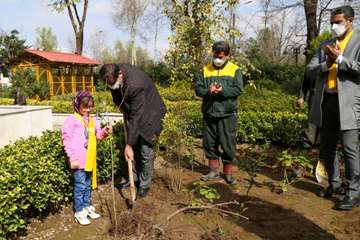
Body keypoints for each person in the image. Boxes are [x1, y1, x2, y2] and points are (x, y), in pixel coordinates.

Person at [306, 5, 360, 210]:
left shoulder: (358, 41)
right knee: (327, 147)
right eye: (332, 23)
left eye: (338, 22)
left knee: (350, 148)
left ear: (350, 21)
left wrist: (340, 60)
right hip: (327, 102)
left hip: (349, 104)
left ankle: (354, 193)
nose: (334, 26)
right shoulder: (325, 45)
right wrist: (327, 65)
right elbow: (310, 70)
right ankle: (334, 184)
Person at [99, 63, 166, 198]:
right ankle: (133, 179)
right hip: (136, 109)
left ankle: (144, 185)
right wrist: (123, 107)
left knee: (145, 150)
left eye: (113, 84)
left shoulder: (136, 85)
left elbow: (137, 117)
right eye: (109, 85)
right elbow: (117, 96)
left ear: (120, 75)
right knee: (134, 148)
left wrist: (128, 145)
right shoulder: (112, 75)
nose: (111, 87)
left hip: (151, 114)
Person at [195, 41, 243, 184]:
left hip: (227, 114)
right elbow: (198, 89)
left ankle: (228, 173)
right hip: (209, 113)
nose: (218, 59)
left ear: (227, 55)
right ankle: (213, 171)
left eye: (221, 56)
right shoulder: (205, 70)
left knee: (228, 144)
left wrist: (223, 91)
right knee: (209, 144)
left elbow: (238, 89)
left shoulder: (235, 70)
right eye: (216, 55)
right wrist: (207, 91)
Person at [61, 91, 112, 225]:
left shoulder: (92, 120)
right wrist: (72, 157)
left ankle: (86, 206)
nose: (88, 109)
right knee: (80, 186)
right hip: (78, 161)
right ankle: (79, 211)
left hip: (90, 159)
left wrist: (105, 132)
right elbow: (67, 140)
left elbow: (98, 136)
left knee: (88, 185)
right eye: (85, 107)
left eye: (90, 106)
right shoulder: (71, 120)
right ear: (78, 105)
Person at [295, 71, 319, 148]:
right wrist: (301, 97)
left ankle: (322, 145)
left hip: (332, 96)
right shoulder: (314, 64)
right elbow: (304, 83)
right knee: (312, 121)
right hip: (315, 95)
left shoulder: (339, 63)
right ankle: (307, 146)